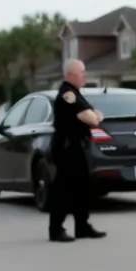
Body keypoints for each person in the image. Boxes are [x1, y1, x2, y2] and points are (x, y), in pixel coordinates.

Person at [49, 59, 106, 242]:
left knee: (82, 188)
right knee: (64, 189)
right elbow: (92, 118)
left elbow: (96, 114)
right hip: (67, 147)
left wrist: (93, 115)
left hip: (78, 146)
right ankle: (56, 229)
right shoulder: (68, 94)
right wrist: (93, 115)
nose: (85, 75)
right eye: (82, 72)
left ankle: (82, 226)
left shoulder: (76, 93)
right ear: (71, 74)